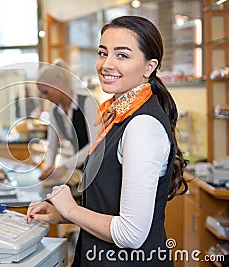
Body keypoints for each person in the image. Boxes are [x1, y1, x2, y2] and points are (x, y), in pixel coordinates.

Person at [27, 16, 188, 266]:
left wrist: (72, 209)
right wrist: (64, 215)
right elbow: (111, 205)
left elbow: (131, 234)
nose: (106, 64)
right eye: (103, 53)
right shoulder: (118, 114)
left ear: (149, 66)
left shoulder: (142, 125)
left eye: (122, 55)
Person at [36, 58, 98, 186]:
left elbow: (96, 144)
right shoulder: (54, 111)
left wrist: (65, 166)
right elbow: (52, 145)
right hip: (80, 170)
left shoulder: (87, 102)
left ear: (57, 83)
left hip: (99, 168)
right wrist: (49, 168)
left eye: (46, 92)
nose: (45, 97)